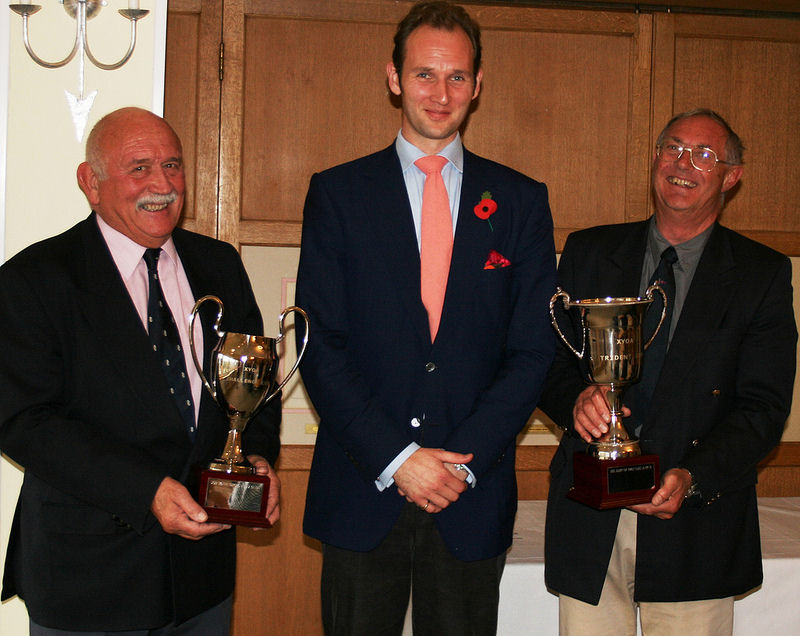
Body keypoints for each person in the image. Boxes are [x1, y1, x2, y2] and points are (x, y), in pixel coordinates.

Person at [294, 2, 556, 633]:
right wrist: (398, 458)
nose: (441, 94)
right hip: (363, 487)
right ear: (394, 78)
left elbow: (533, 350)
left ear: (477, 83)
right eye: (424, 75)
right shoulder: (338, 194)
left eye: (457, 76)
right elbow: (318, 343)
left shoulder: (520, 202)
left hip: (471, 494)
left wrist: (461, 462)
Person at [0, 107, 281, 634]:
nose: (162, 185)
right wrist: (146, 489)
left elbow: (254, 385)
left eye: (172, 165)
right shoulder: (34, 279)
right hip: (88, 579)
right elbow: (23, 420)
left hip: (202, 582)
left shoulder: (219, 265)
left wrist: (256, 458)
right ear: (91, 183)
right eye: (140, 168)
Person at [540, 108, 797, 635]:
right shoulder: (590, 251)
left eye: (704, 154)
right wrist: (575, 400)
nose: (683, 164)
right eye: (673, 148)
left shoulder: (761, 274)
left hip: (694, 524)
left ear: (731, 176)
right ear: (655, 158)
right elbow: (546, 362)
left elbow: (764, 408)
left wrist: (693, 477)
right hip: (590, 516)